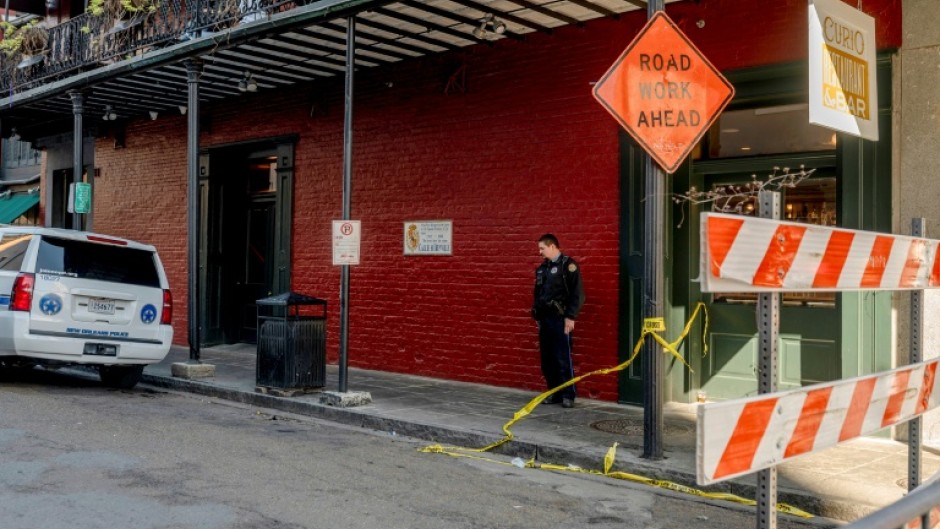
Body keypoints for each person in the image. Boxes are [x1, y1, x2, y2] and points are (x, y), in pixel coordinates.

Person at [532, 234, 585, 409]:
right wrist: (537, 316)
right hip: (545, 320)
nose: (540, 252)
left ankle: (568, 394)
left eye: (542, 248)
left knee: (563, 357)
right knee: (547, 359)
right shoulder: (542, 269)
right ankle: (553, 392)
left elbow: (577, 294)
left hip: (561, 319)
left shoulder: (567, 266)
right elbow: (538, 295)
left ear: (553, 246)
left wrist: (571, 317)